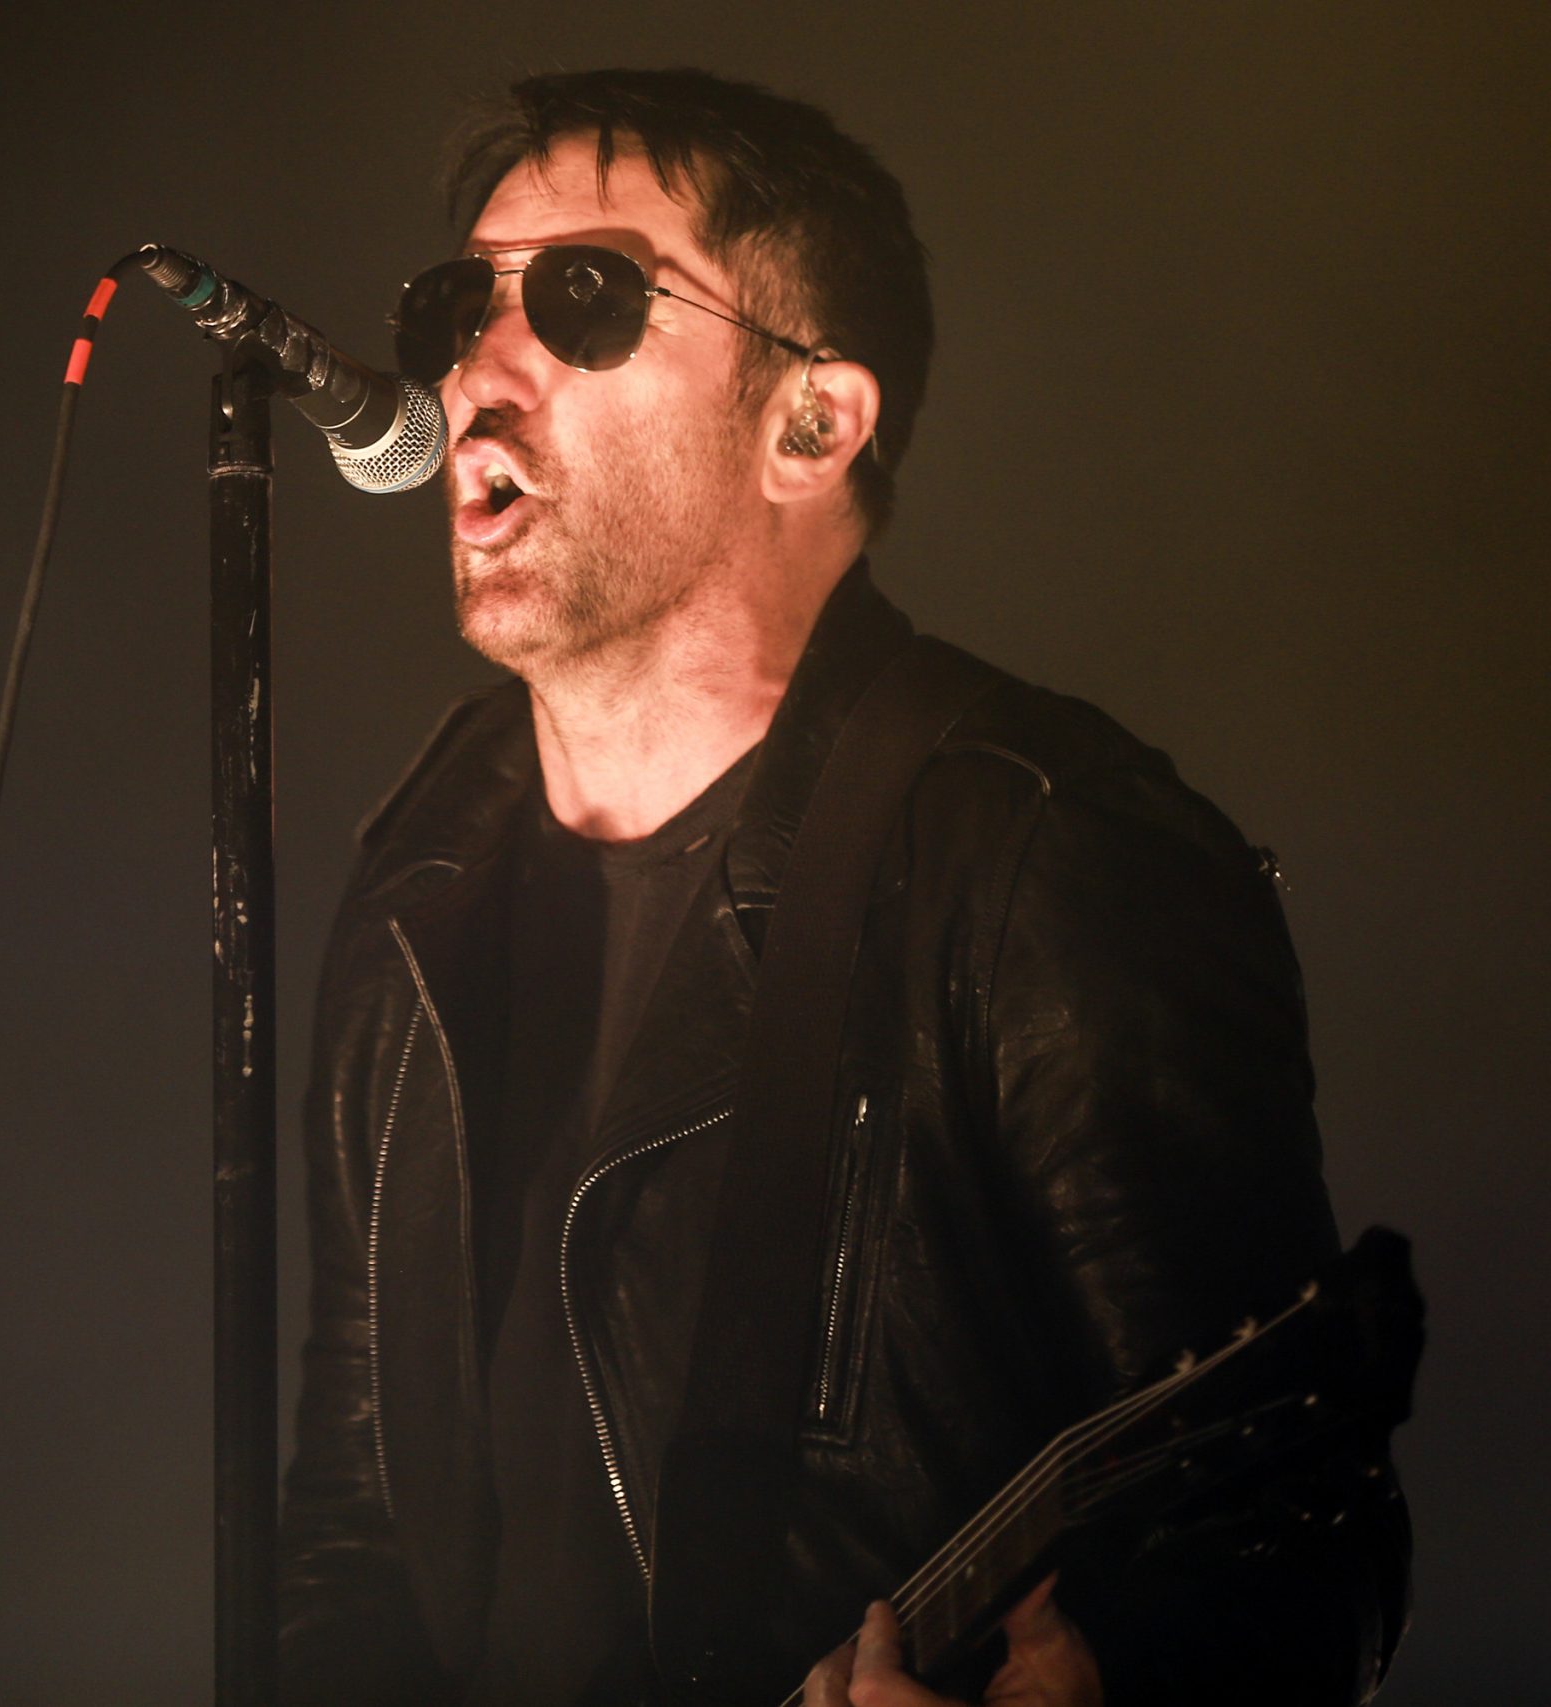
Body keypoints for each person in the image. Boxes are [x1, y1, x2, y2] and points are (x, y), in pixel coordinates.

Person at [276, 69, 1409, 1706]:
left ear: (811, 425)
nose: (475, 372)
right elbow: (354, 1529)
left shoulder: (1045, 856)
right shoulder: (423, 877)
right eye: (464, 305)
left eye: (585, 300)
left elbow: (1288, 1549)